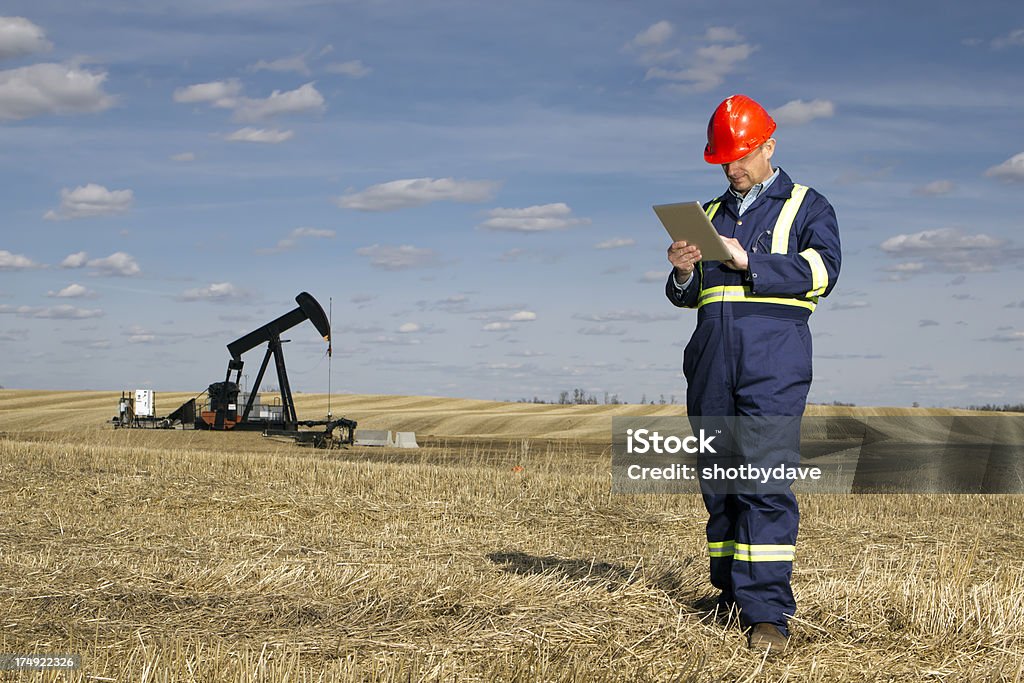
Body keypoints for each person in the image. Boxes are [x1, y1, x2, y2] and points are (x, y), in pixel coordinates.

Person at [665, 94, 841, 654]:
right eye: (724, 161)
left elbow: (822, 272)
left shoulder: (808, 205)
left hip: (772, 364)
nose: (732, 169)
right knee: (719, 484)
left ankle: (767, 613)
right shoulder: (710, 214)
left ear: (770, 145)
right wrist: (682, 270)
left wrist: (750, 262)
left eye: (741, 157)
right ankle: (729, 594)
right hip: (712, 360)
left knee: (764, 485)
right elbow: (691, 297)